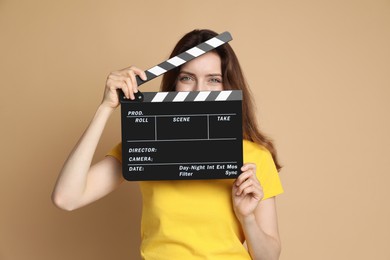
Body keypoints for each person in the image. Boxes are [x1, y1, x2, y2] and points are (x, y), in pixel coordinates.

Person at [52, 29, 284, 260]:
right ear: (174, 85)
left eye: (213, 80)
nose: (199, 91)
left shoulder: (256, 157)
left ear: (228, 87)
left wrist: (247, 218)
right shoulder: (143, 143)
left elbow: (269, 258)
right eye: (187, 78)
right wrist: (105, 107)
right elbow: (67, 197)